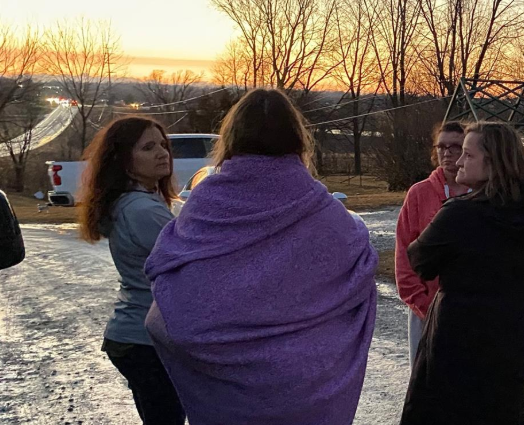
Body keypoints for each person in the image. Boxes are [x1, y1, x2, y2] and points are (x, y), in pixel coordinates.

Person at [143, 88, 377, 425]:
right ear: (297, 139)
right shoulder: (326, 212)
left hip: (226, 398)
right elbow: (360, 270)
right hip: (305, 393)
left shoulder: (204, 204)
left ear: (231, 139)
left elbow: (170, 294)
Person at [400, 122, 524, 425]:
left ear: (491, 162)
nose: (459, 161)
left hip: (458, 338)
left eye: (467, 154)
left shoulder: (459, 213)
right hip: (511, 335)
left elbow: (420, 259)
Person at [78, 117, 185, 425]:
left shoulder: (137, 201)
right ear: (123, 160)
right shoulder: (142, 209)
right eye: (148, 148)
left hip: (135, 338)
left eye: (163, 145)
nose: (162, 153)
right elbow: (194, 262)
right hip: (144, 340)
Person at [394, 121, 469, 366]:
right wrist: (421, 302)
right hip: (427, 308)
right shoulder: (419, 194)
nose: (447, 153)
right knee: (426, 376)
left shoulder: (482, 192)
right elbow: (404, 253)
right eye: (441, 147)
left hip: (471, 309)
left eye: (455, 147)